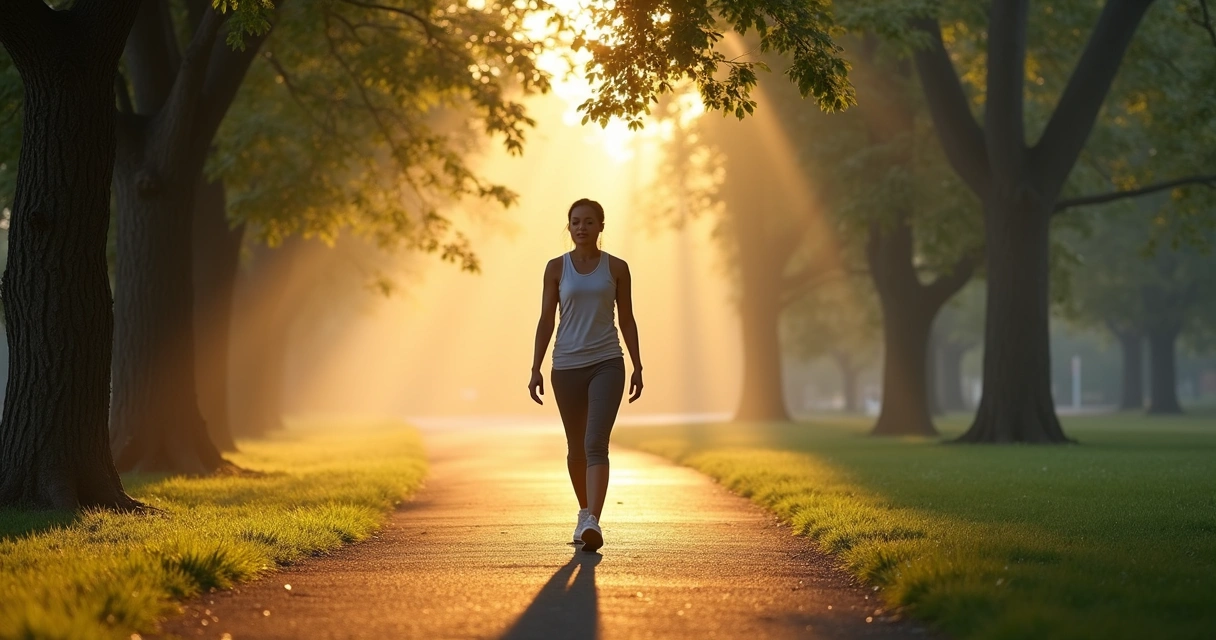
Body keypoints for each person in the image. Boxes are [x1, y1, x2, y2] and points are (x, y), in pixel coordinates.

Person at [528, 198, 643, 553]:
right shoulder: (555, 268)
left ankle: (593, 520)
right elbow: (547, 319)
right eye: (576, 222)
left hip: (607, 362)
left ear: (601, 226)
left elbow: (626, 319)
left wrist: (638, 365)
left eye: (589, 222)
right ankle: (583, 512)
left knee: (595, 442)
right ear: (570, 227)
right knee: (576, 447)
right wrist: (535, 367)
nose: (582, 227)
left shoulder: (618, 268)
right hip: (565, 367)